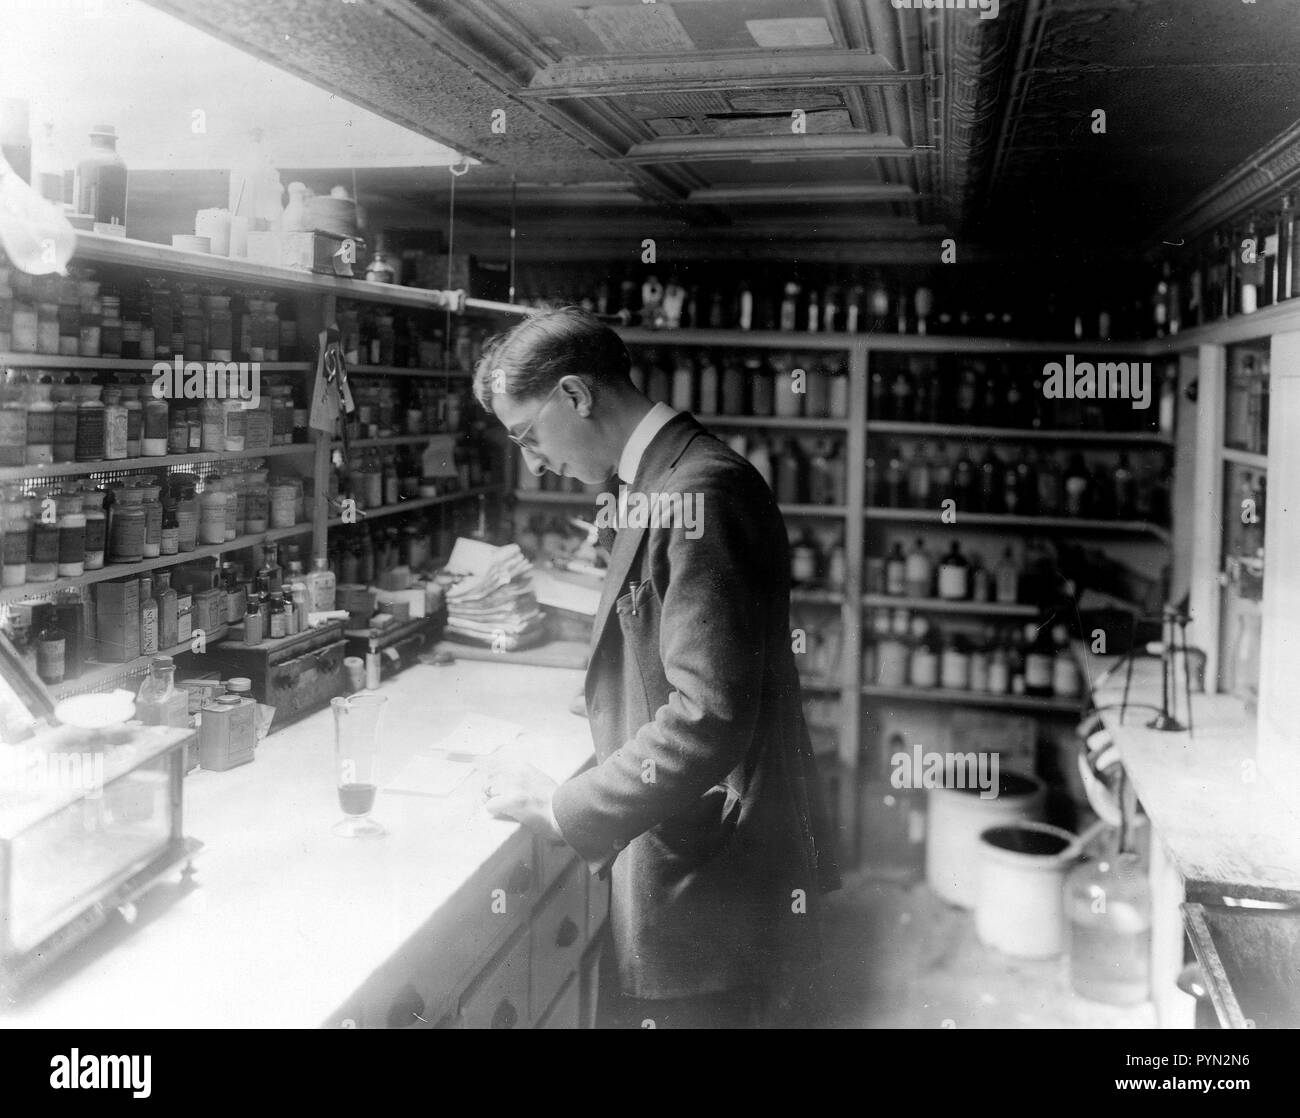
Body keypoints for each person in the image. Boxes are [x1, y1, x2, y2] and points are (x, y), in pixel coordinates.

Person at [474, 307, 840, 1028]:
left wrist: (559, 807)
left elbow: (709, 718)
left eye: (528, 436)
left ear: (577, 396)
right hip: (693, 845)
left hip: (712, 878)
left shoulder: (698, 492)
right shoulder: (659, 476)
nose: (533, 462)